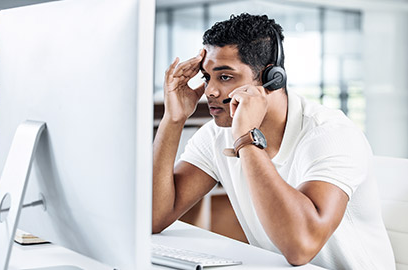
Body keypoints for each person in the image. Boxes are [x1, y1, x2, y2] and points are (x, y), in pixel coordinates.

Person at [152, 13, 395, 269]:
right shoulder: (215, 134)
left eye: (224, 77)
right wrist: (173, 119)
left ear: (272, 78)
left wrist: (247, 139)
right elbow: (154, 217)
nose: (210, 91)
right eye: (206, 77)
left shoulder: (331, 135)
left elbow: (300, 247)